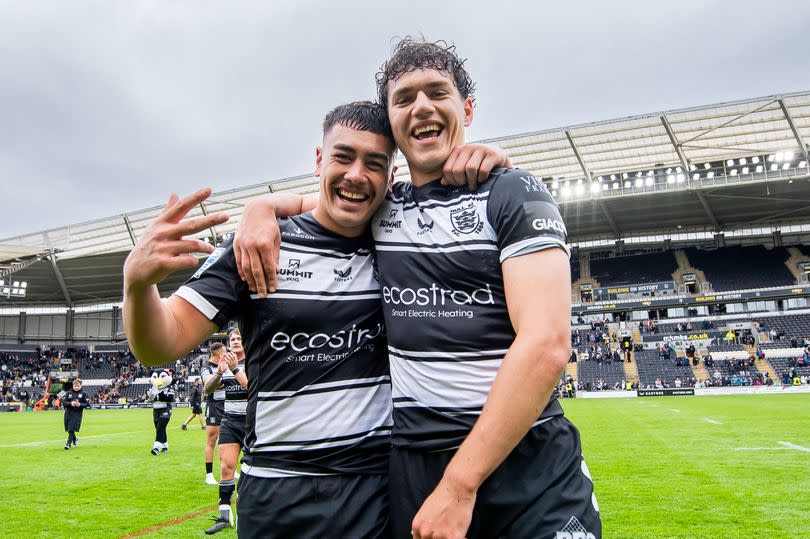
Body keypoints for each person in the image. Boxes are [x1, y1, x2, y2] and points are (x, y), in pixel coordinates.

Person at [235, 37, 601, 539]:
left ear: (467, 109)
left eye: (438, 92)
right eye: (404, 98)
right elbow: (327, 199)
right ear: (393, 122)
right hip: (418, 466)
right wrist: (260, 209)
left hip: (528, 462)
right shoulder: (382, 209)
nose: (422, 106)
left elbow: (546, 346)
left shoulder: (514, 192)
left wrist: (459, 488)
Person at [122, 101, 497, 538]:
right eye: (343, 156)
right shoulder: (258, 244)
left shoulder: (399, 239)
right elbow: (159, 346)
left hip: (373, 491)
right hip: (276, 493)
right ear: (319, 159)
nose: (356, 174)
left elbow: (467, 205)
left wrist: (491, 163)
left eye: (374, 163)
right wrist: (137, 284)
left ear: (389, 177)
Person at [204, 329, 248, 535]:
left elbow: (252, 387)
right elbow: (208, 389)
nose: (236, 341)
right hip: (230, 421)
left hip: (252, 423)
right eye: (232, 339)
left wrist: (236, 369)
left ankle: (246, 513)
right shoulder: (226, 365)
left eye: (239, 338)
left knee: (250, 471)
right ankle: (224, 515)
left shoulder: (255, 361)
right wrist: (220, 372)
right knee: (226, 467)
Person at [200, 344, 227, 485]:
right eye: (225, 351)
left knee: (229, 439)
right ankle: (209, 474)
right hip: (214, 406)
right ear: (218, 353)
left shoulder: (227, 366)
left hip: (228, 404)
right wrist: (222, 381)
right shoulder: (206, 368)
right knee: (212, 440)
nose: (227, 353)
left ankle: (229, 469)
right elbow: (210, 384)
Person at [62, 378, 89, 450]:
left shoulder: (84, 394)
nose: (76, 387)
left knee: (71, 428)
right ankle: (75, 439)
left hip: (77, 413)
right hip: (68, 413)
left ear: (81, 386)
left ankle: (68, 444)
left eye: (78, 386)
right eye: (75, 386)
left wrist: (79, 404)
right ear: (73, 385)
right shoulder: (68, 393)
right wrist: (71, 403)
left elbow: (87, 404)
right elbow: (64, 403)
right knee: (68, 428)